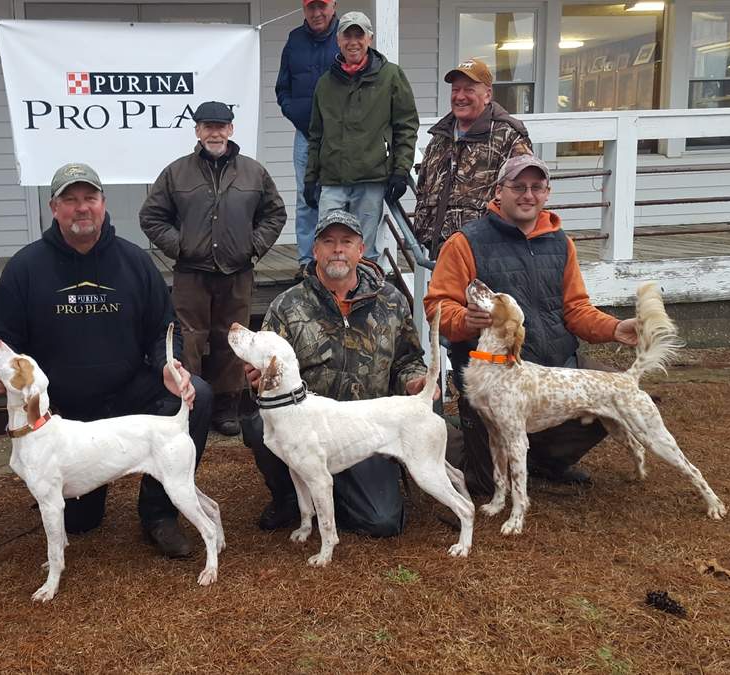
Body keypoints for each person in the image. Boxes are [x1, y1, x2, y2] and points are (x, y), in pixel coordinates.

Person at [0, 162, 214, 559]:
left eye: (89, 197)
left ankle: (159, 513)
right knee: (80, 522)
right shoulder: (25, 267)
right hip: (61, 413)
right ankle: (74, 498)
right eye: (70, 200)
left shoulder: (135, 262)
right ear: (54, 208)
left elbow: (164, 328)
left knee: (200, 395)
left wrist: (168, 364)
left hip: (127, 395)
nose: (82, 207)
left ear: (104, 203)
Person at [423, 154, 638, 496]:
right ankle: (448, 434)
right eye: (518, 186)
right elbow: (437, 306)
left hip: (555, 368)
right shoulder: (465, 242)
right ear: (499, 191)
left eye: (537, 187)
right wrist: (464, 320)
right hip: (495, 377)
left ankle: (546, 459)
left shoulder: (561, 243)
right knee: (483, 483)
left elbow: (577, 309)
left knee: (622, 393)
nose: (528, 195)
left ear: (547, 193)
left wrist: (615, 328)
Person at [241, 209, 436, 536]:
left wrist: (415, 382)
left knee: (381, 522)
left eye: (346, 242)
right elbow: (264, 371)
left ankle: (332, 491)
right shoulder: (287, 305)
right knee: (262, 424)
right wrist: (257, 380)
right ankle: (290, 498)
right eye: (328, 242)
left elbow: (408, 360)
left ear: (361, 250)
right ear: (315, 250)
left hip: (365, 428)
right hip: (307, 426)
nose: (337, 250)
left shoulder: (391, 301)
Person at [140, 101, 287, 437]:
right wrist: (180, 246)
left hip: (237, 273)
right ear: (197, 131)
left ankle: (226, 407)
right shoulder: (176, 172)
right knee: (188, 339)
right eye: (208, 126)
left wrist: (253, 246)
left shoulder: (254, 172)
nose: (215, 133)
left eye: (221, 127)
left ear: (231, 130)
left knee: (231, 340)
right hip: (191, 273)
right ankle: (190, 403)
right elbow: (151, 216)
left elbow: (275, 214)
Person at [303, 11, 418, 263]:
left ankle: (367, 289)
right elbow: (316, 134)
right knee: (328, 246)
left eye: (359, 35)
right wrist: (310, 177)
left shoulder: (391, 76)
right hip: (332, 180)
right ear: (338, 40)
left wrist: (401, 170)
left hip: (371, 178)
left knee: (364, 250)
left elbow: (406, 126)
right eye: (347, 35)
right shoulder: (325, 83)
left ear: (370, 39)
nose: (353, 42)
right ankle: (329, 289)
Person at [413, 58, 532, 254]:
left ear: (487, 95)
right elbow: (423, 189)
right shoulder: (440, 137)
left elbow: (523, 196)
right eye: (455, 90)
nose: (460, 96)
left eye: (469, 90)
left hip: (488, 254)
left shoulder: (509, 137)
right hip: (442, 252)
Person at [274, 0, 339, 280]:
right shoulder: (294, 40)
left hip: (340, 138)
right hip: (305, 135)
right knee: (306, 197)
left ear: (333, 5)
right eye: (311, 8)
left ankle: (336, 260)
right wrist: (295, 113)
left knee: (336, 196)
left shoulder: (346, 37)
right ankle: (306, 260)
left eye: (322, 6)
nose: (317, 13)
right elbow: (283, 87)